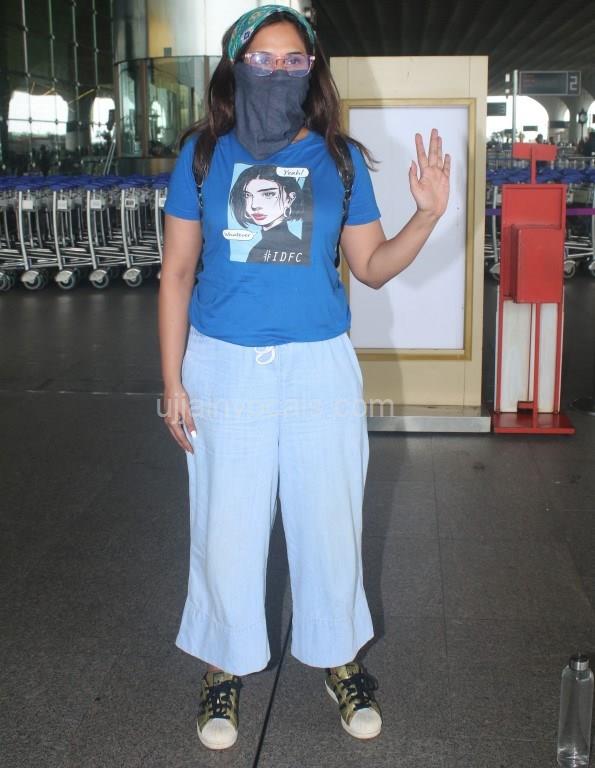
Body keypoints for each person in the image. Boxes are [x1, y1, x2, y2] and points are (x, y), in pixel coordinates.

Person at [158, 4, 450, 752]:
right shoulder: (203, 156)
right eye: (263, 59)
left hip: (319, 365)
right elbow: (177, 273)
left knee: (329, 520)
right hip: (223, 366)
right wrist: (173, 382)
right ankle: (224, 664)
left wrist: (425, 217)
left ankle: (339, 657)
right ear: (234, 67)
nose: (279, 72)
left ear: (313, 71)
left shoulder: (337, 160)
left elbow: (371, 267)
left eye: (295, 61)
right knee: (226, 523)